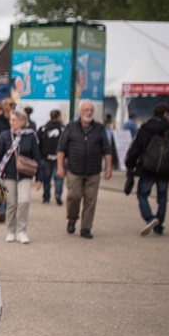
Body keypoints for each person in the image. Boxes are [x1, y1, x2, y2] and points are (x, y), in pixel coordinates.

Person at [57, 101, 113, 239]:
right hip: (74, 170)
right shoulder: (71, 127)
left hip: (93, 171)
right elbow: (61, 149)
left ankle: (86, 228)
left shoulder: (99, 128)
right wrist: (60, 167)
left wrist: (109, 168)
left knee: (90, 200)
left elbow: (107, 149)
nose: (89, 112)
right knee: (73, 197)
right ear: (80, 111)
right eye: (86, 109)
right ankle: (72, 218)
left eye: (91, 110)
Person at [125, 102, 169, 236]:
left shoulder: (145, 128)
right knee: (162, 198)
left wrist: (130, 164)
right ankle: (159, 226)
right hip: (165, 171)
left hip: (147, 168)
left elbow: (136, 148)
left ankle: (150, 218)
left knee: (142, 195)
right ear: (166, 114)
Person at [0, 110, 40, 244]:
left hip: (25, 175)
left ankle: (22, 231)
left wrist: (40, 178)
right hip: (9, 175)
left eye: (15, 120)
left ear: (23, 121)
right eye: (11, 120)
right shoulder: (5, 135)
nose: (12, 122)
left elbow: (37, 157)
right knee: (11, 203)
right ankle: (11, 231)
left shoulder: (30, 136)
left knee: (24, 201)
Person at [37, 110, 66, 205]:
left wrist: (39, 156)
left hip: (45, 157)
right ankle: (58, 193)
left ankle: (46, 197)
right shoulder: (63, 129)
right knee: (59, 178)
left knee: (46, 178)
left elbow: (39, 143)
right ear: (58, 117)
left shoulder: (43, 128)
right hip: (59, 158)